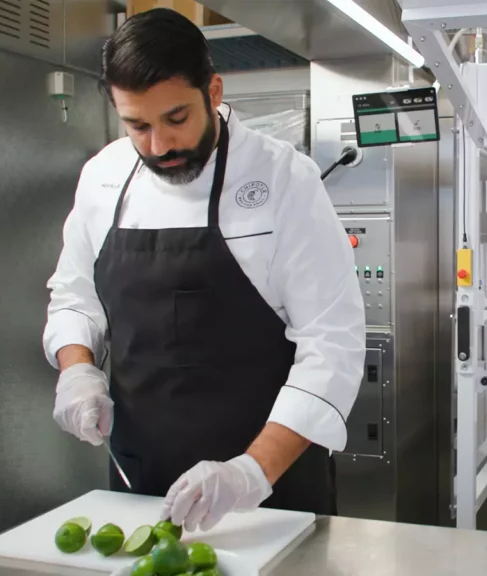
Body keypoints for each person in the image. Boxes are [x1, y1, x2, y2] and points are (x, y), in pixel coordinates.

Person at [43, 9, 365, 532]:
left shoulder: (285, 180)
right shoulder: (102, 177)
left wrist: (250, 473)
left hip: (269, 490)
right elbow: (75, 298)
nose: (158, 146)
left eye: (175, 119)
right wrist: (77, 369)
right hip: (140, 488)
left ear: (213, 92)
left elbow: (333, 343)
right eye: (137, 126)